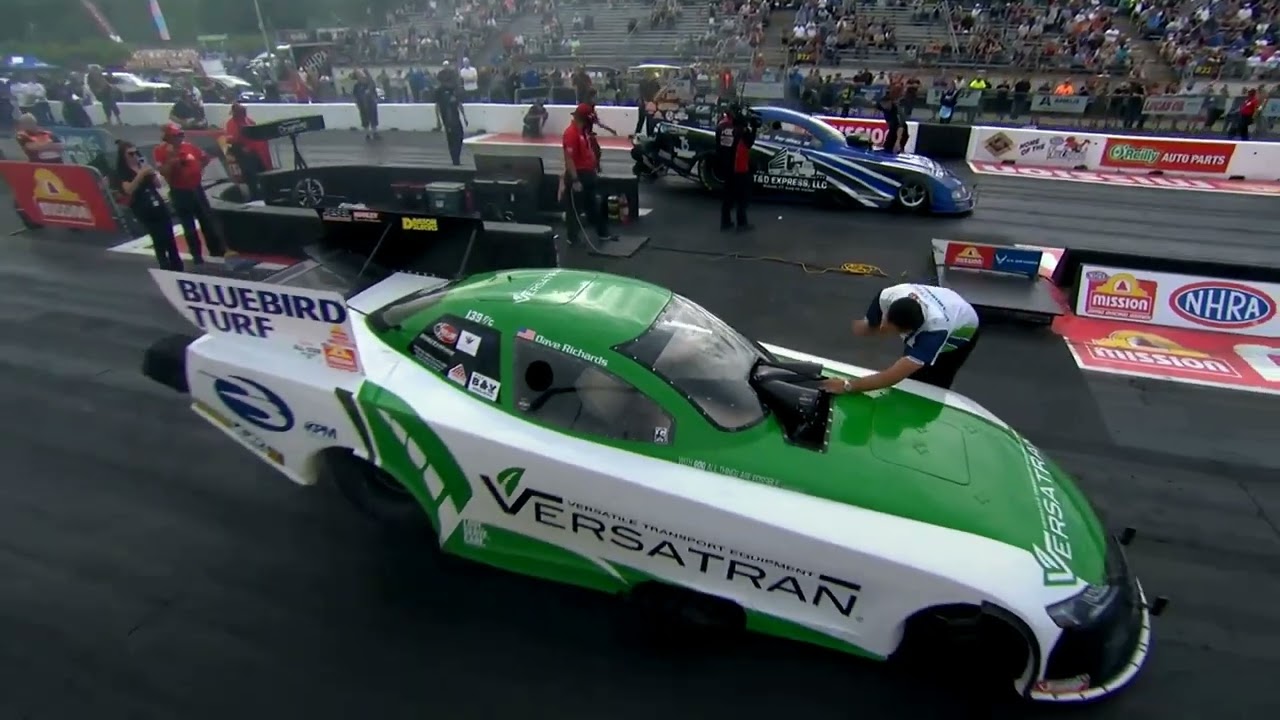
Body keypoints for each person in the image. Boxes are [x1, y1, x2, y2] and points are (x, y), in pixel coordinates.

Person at [820, 284, 981, 394]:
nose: (883, 329)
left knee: (925, 385)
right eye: (885, 322)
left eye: (892, 330)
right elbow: (870, 322)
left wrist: (848, 385)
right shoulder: (890, 294)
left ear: (911, 332)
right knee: (910, 372)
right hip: (945, 300)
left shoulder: (933, 332)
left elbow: (893, 376)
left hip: (960, 334)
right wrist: (869, 324)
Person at [153, 124, 224, 263]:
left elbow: (205, 157)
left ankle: (216, 251)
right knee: (189, 226)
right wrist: (173, 158)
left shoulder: (189, 147)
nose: (179, 138)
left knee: (207, 221)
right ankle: (196, 255)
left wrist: (199, 168)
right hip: (180, 192)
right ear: (168, 138)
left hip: (196, 188)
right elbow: (164, 172)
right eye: (176, 136)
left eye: (181, 135)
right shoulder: (160, 151)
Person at [115, 140, 182, 271]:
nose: (134, 156)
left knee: (169, 234)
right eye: (130, 154)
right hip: (142, 206)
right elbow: (128, 189)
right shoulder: (123, 171)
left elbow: (157, 185)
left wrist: (151, 174)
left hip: (157, 201)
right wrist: (140, 175)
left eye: (135, 152)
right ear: (124, 156)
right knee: (158, 237)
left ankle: (177, 264)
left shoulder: (143, 166)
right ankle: (164, 264)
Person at [562, 103, 617, 246]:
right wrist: (574, 180)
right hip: (578, 175)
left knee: (592, 205)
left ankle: (602, 232)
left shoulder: (582, 132)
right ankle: (572, 237)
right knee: (574, 209)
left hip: (588, 174)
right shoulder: (571, 133)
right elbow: (569, 158)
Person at [715, 104, 756, 232]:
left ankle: (725, 222)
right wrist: (753, 128)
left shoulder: (720, 126)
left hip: (725, 165)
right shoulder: (741, 129)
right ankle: (742, 223)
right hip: (739, 166)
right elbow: (749, 143)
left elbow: (718, 143)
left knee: (727, 196)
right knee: (742, 197)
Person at [223, 103, 273, 201]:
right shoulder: (231, 124)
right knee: (250, 176)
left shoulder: (249, 121)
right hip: (243, 154)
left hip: (255, 153)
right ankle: (255, 196)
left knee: (261, 173)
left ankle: (266, 193)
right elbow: (231, 140)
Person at [435, 81, 469, 165]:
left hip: (455, 119)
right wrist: (438, 120)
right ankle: (455, 158)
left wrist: (464, 117)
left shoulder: (453, 92)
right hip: (448, 119)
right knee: (452, 139)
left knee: (458, 136)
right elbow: (438, 106)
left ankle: (456, 157)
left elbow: (459, 104)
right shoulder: (441, 92)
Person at [353, 70, 381, 141]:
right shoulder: (357, 86)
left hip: (371, 104)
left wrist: (375, 100)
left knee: (373, 119)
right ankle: (367, 134)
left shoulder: (370, 84)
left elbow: (375, 93)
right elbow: (355, 96)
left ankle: (375, 133)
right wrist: (357, 103)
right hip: (362, 105)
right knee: (365, 120)